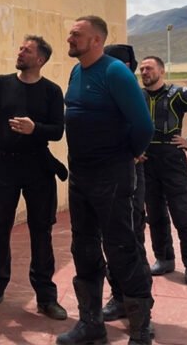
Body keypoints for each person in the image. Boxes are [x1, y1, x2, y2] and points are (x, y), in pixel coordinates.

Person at [0, 36, 68, 320]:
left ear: (40, 59)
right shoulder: (1, 83)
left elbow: (56, 131)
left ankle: (46, 297)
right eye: (20, 48)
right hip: (4, 166)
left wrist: (35, 129)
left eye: (26, 50)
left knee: (41, 230)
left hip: (38, 168)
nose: (20, 53)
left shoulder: (52, 91)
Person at [58, 17, 155, 345]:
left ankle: (141, 331)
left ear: (96, 39)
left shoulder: (115, 72)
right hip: (80, 177)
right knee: (83, 247)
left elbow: (143, 124)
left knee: (122, 248)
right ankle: (90, 323)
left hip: (112, 177)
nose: (69, 38)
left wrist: (130, 154)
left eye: (76, 34)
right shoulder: (76, 71)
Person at [138, 55, 187, 285]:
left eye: (149, 68)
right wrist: (135, 149)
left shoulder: (181, 94)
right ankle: (164, 259)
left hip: (173, 160)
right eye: (142, 69)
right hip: (146, 161)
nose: (145, 72)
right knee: (154, 214)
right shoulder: (138, 96)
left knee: (181, 213)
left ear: (161, 71)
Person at [100, 44, 147, 323]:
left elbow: (144, 129)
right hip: (105, 176)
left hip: (130, 173)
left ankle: (139, 309)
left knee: (131, 240)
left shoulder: (135, 95)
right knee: (111, 241)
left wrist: (133, 150)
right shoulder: (102, 94)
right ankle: (118, 297)